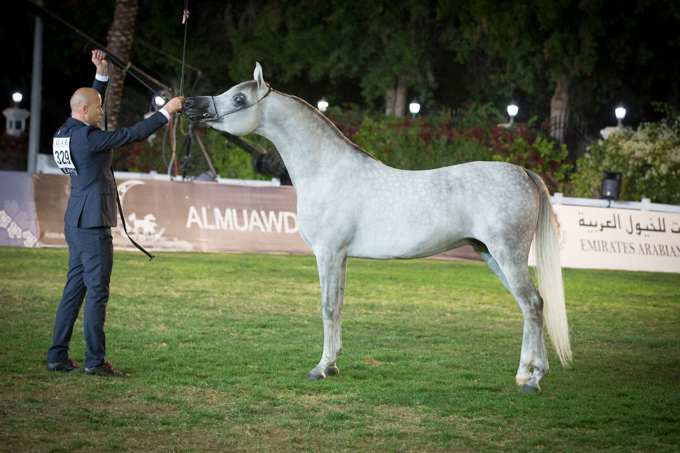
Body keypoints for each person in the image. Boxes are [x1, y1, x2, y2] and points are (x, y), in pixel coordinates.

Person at [46, 49, 184, 377]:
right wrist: (166, 112)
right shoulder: (89, 138)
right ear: (85, 111)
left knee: (73, 292)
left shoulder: (64, 132)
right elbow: (132, 134)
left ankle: (57, 356)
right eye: (98, 108)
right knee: (97, 294)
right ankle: (95, 362)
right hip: (93, 224)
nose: (102, 110)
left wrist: (101, 76)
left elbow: (90, 104)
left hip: (75, 221)